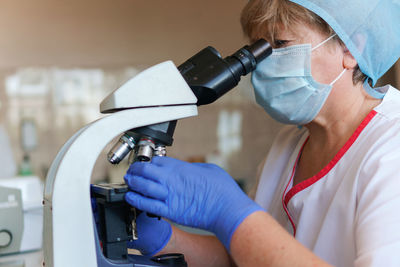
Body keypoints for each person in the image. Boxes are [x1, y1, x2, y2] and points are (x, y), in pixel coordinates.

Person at [124, 0, 400, 266]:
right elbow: (246, 256)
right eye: (259, 48)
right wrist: (161, 239)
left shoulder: (391, 147)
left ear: (352, 47)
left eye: (280, 44)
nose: (264, 64)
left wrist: (228, 211)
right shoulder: (290, 143)